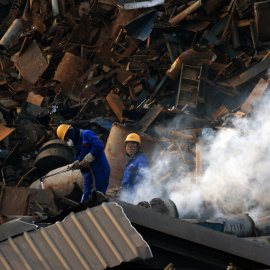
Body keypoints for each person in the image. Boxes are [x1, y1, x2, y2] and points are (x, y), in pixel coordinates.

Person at [57, 124, 111, 202]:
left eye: (66, 138)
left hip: (99, 171)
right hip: (87, 175)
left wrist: (88, 159)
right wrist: (77, 164)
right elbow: (79, 157)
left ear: (69, 133)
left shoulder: (86, 134)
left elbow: (98, 146)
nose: (67, 141)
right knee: (85, 199)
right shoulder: (75, 144)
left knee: (97, 199)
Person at [121, 133, 149, 203]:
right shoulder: (130, 160)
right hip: (126, 195)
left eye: (133, 146)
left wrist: (139, 195)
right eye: (128, 146)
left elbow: (143, 177)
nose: (130, 148)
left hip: (134, 197)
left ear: (137, 147)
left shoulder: (141, 159)